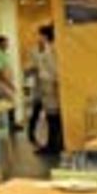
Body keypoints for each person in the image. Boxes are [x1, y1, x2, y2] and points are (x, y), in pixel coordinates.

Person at [34, 24, 63, 155]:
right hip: (47, 87)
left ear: (45, 36)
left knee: (53, 119)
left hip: (51, 87)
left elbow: (54, 71)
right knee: (51, 118)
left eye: (39, 35)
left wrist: (56, 88)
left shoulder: (51, 50)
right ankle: (52, 144)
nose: (38, 37)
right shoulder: (46, 49)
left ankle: (54, 146)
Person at [0, 35, 17, 132]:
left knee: (11, 103)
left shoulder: (6, 55)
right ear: (0, 44)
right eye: (5, 42)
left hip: (7, 82)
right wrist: (9, 84)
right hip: (2, 83)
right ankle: (7, 126)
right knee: (5, 104)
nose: (7, 44)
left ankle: (12, 124)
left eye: (7, 42)